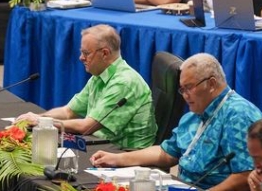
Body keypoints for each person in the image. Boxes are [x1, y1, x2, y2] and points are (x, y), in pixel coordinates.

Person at [89, 54, 262, 191]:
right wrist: (117, 159)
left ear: (211, 83)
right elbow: (166, 154)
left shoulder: (238, 116)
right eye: (182, 89)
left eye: (189, 88)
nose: (185, 95)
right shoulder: (195, 113)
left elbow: (246, 174)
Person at [15, 24, 156, 150]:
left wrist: (41, 122)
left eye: (86, 53)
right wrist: (37, 118)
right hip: (102, 145)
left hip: (126, 154)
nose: (81, 58)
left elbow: (87, 127)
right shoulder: (100, 75)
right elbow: (68, 112)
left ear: (105, 53)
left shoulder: (124, 82)